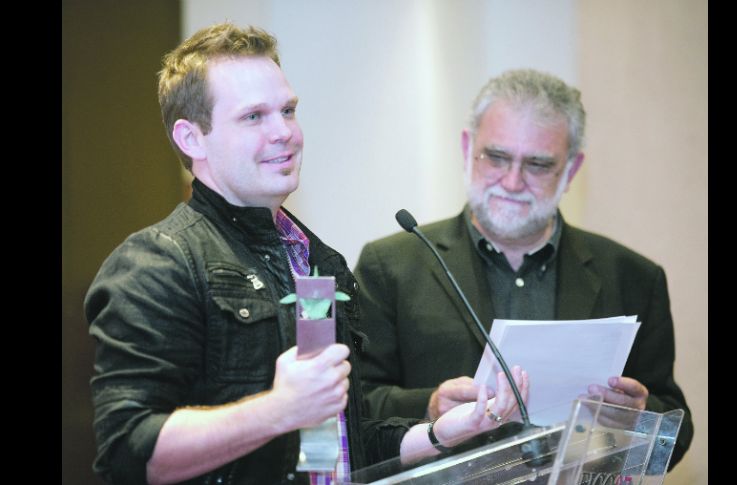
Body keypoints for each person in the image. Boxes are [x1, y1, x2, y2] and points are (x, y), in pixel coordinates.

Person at [85, 23, 527, 485]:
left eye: (288, 110)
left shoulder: (316, 260)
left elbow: (333, 446)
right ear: (191, 138)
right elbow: (128, 450)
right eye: (254, 116)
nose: (285, 133)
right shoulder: (158, 263)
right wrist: (277, 410)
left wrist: (443, 433)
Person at [354, 68, 693, 468]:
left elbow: (676, 429)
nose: (512, 182)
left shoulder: (634, 277)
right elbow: (354, 407)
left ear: (570, 170)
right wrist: (428, 407)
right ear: (467, 149)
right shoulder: (391, 266)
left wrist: (637, 416)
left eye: (537, 164)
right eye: (496, 157)